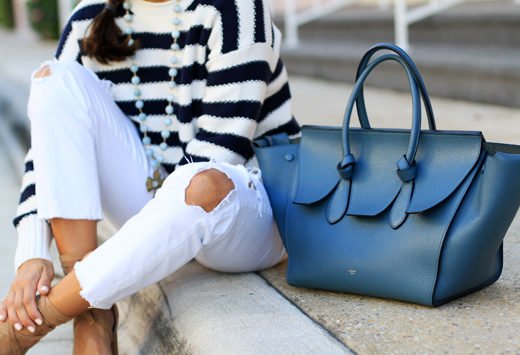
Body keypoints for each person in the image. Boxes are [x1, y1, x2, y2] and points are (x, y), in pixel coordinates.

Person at [0, 0, 300, 353]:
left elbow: (220, 151)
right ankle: (93, 320)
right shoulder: (89, 16)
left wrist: (40, 307)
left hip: (244, 213)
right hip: (154, 198)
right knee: (53, 82)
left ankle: (21, 331)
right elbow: (50, 143)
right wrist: (33, 255)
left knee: (201, 184)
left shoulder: (235, 11)